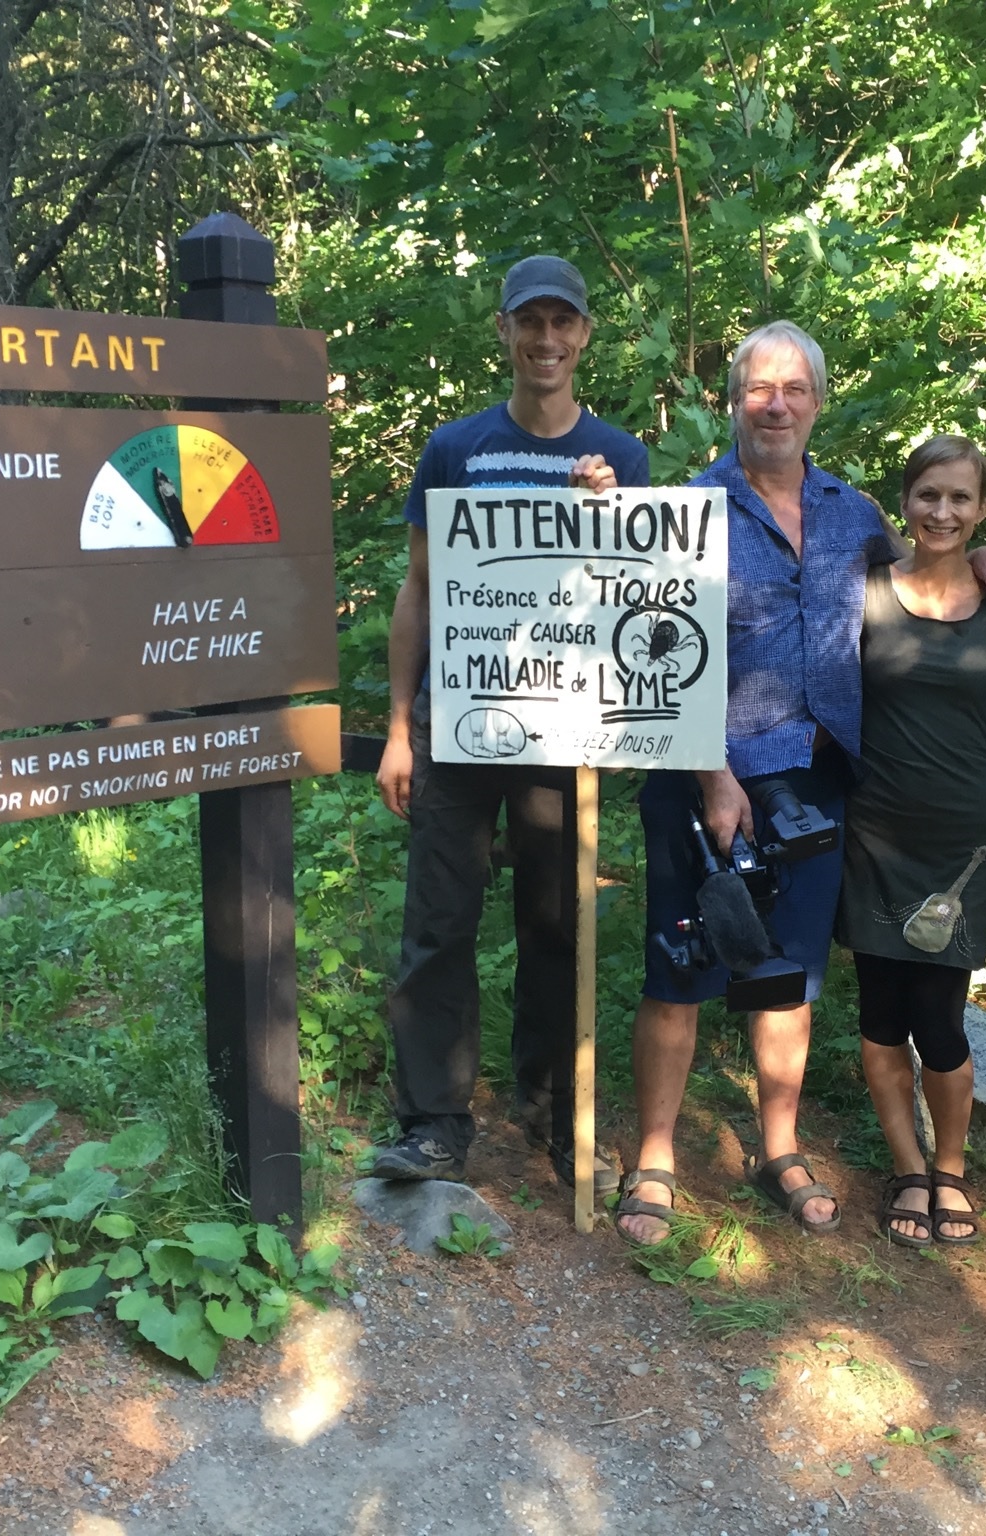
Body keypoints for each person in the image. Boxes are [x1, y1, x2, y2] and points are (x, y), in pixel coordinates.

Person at [614, 323, 986, 1244]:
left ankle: (779, 1148)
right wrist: (713, 776)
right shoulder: (688, 512)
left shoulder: (856, 515)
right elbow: (651, 657)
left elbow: (927, 572)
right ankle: (655, 1158)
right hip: (704, 774)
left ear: (818, 402)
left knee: (790, 977)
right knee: (679, 970)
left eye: (794, 388)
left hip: (820, 781)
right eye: (759, 388)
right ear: (732, 400)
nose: (777, 405)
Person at [372, 255, 649, 1189]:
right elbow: (419, 591)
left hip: (562, 733)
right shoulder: (456, 449)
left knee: (557, 926)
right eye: (529, 321)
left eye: (562, 322)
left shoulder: (620, 458)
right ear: (504, 331)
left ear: (584, 336)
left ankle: (556, 1114)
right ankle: (434, 1124)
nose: (546, 339)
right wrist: (399, 728)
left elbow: (635, 600)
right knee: (438, 925)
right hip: (457, 725)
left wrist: (607, 519)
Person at [837, 435, 986, 1248]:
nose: (942, 511)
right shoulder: (866, 591)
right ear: (906, 501)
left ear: (982, 509)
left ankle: (951, 1169)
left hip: (960, 842)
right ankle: (908, 1168)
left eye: (959, 498)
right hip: (875, 831)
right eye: (928, 495)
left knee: (941, 1020)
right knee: (882, 1016)